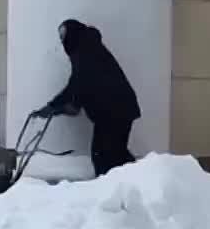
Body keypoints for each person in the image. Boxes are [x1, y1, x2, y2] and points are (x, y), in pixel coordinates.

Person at [32, 19, 141, 177]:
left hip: (115, 111)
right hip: (115, 111)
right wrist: (56, 107)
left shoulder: (85, 50)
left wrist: (55, 106)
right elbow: (80, 83)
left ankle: (128, 185)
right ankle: (138, 181)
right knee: (113, 154)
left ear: (72, 34)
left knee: (104, 155)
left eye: (64, 35)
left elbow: (79, 82)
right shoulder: (86, 47)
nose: (62, 41)